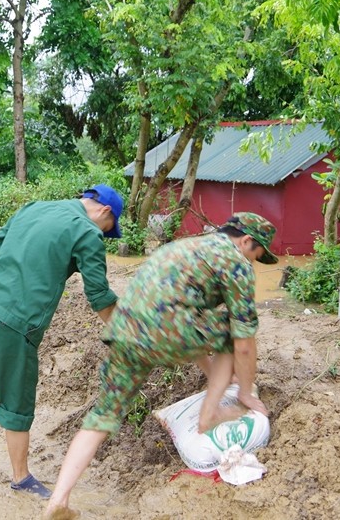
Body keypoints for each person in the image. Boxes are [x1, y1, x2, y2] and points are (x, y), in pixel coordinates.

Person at [43, 213, 277, 518]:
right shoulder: (235, 262)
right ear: (246, 241)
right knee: (233, 327)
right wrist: (244, 392)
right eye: (257, 255)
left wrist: (213, 376)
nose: (255, 262)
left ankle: (58, 500)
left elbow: (179, 311)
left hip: (124, 332)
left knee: (102, 417)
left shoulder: (183, 248)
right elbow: (244, 342)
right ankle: (209, 415)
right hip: (167, 331)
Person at [0, 185, 123, 499]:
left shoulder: (34, 207)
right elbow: (100, 297)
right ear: (105, 211)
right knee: (17, 403)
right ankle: (21, 478)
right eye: (109, 229)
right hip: (14, 321)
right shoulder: (86, 232)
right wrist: (125, 334)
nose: (104, 235)